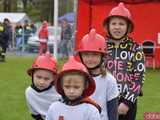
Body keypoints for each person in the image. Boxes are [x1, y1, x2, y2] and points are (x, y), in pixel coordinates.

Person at [103, 2, 145, 120]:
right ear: (108, 26)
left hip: (128, 101)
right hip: (105, 98)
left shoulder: (135, 48)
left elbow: (139, 77)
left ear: (128, 27)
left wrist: (127, 102)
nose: (117, 27)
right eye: (114, 23)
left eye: (121, 24)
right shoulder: (102, 46)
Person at [76, 29, 119, 120]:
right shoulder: (77, 76)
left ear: (102, 57)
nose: (90, 58)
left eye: (95, 55)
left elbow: (113, 110)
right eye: (86, 54)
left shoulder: (109, 80)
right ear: (81, 55)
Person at [25, 51, 61, 120]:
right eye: (38, 77)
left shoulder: (58, 90)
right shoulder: (29, 92)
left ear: (53, 78)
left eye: (46, 79)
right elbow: (34, 113)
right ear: (32, 75)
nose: (41, 82)